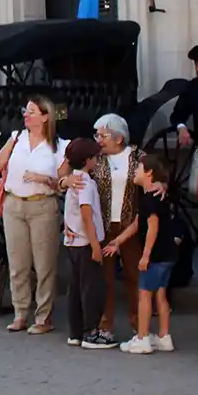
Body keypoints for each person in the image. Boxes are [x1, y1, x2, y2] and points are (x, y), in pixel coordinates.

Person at [0, 96, 67, 334]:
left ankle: (44, 317)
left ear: (45, 117)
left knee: (44, 265)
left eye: (31, 111)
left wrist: (43, 179)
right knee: (17, 263)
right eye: (26, 110)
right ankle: (20, 313)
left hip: (42, 206)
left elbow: (63, 184)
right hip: (14, 204)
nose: (26, 114)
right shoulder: (16, 138)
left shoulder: (59, 146)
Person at [64, 113, 143, 340]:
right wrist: (65, 181)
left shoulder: (138, 156)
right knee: (104, 278)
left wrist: (161, 184)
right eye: (96, 134)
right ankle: (104, 326)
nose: (98, 139)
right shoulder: (94, 159)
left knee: (134, 275)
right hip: (103, 228)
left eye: (103, 134)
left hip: (130, 226)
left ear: (119, 138)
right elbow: (65, 178)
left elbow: (155, 176)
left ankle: (139, 325)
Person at [110, 154, 181, 355]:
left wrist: (146, 255)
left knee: (144, 295)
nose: (134, 172)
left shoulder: (150, 199)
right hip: (169, 254)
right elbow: (137, 223)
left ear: (148, 172)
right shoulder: (157, 196)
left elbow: (152, 226)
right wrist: (119, 241)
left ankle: (142, 338)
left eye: (137, 168)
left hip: (156, 255)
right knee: (161, 294)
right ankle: (164, 337)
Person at [60, 137, 112, 349]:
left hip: (72, 242)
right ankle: (91, 332)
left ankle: (75, 332)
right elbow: (86, 215)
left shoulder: (73, 179)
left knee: (75, 288)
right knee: (91, 288)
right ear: (88, 160)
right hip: (85, 243)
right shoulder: (87, 184)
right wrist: (96, 246)